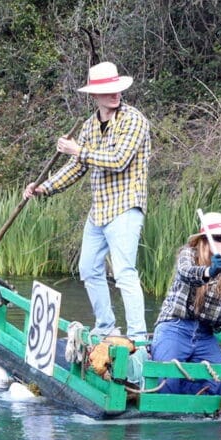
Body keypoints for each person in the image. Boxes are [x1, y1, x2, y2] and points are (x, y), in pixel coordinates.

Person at [23, 62, 151, 341]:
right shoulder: (90, 126)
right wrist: (42, 187)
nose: (114, 94)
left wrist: (78, 150)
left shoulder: (134, 120)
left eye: (116, 89)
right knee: (89, 268)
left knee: (124, 270)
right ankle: (105, 327)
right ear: (94, 96)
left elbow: (118, 161)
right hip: (100, 209)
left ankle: (139, 338)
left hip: (126, 205)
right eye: (107, 91)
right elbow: (75, 168)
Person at [149, 212, 221, 395]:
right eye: (219, 238)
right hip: (174, 327)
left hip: (205, 335)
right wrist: (210, 271)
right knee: (167, 381)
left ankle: (192, 400)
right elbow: (187, 273)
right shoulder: (188, 254)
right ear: (205, 241)